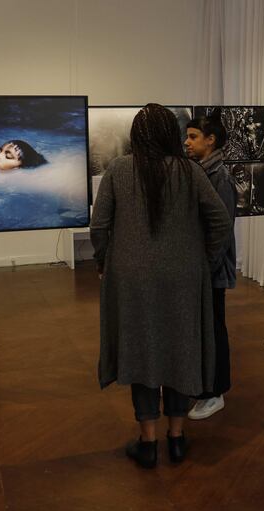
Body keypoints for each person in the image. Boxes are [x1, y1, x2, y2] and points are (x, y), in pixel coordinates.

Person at [90, 104, 231, 469]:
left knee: (142, 356)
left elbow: (99, 225)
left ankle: (148, 443)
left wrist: (105, 262)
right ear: (172, 133)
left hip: (133, 279)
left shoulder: (120, 170)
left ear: (137, 134)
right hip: (184, 277)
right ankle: (178, 437)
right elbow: (220, 222)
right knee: (181, 350)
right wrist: (205, 261)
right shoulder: (190, 172)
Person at [184, 112, 236, 420]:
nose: (187, 142)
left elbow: (221, 229)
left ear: (210, 140)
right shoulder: (203, 172)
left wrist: (206, 266)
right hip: (202, 267)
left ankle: (215, 392)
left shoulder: (219, 178)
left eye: (193, 137)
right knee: (206, 327)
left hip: (211, 270)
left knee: (214, 328)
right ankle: (207, 387)